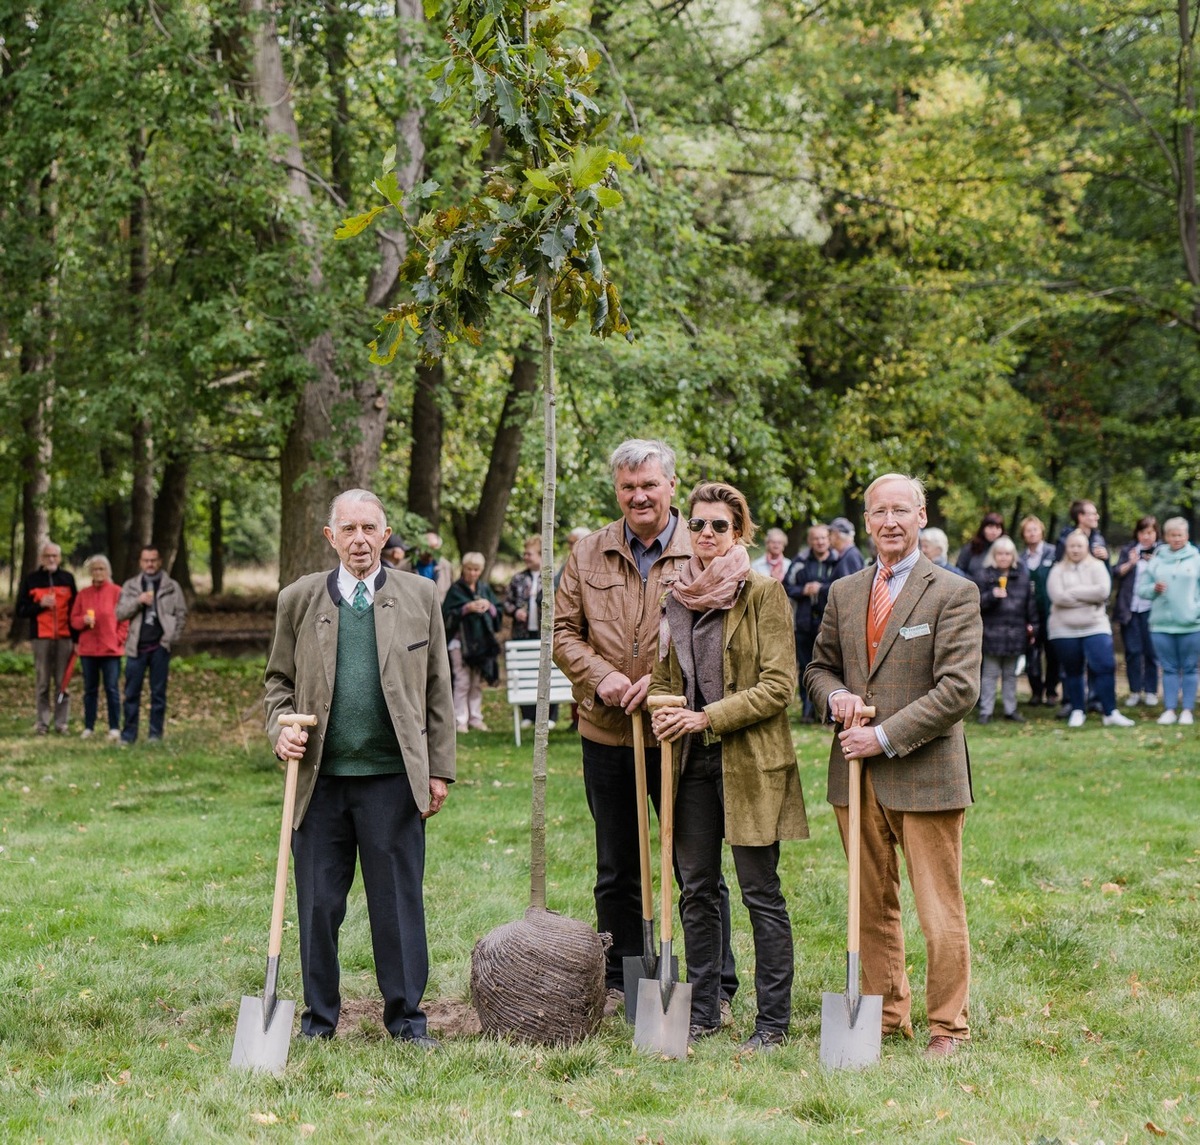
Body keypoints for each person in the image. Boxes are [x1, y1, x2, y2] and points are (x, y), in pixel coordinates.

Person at [553, 438, 738, 1018]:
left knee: (696, 866)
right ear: (617, 491)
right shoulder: (588, 554)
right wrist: (604, 677)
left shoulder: (704, 549)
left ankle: (715, 987)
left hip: (682, 739)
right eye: (628, 487)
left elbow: (724, 638)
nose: (639, 496)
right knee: (617, 867)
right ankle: (621, 984)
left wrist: (667, 691)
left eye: (649, 485)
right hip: (608, 733)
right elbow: (562, 633)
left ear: (671, 487)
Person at [265, 488, 454, 1047]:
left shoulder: (421, 596)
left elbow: (438, 689)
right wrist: (281, 730)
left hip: (393, 780)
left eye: (369, 528)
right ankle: (319, 1021)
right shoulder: (298, 600)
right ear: (331, 537)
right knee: (319, 905)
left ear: (386, 534)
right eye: (348, 529)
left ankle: (406, 1020)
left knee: (397, 905)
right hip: (319, 782)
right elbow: (277, 683)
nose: (359, 540)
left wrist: (438, 769)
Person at [804, 473, 982, 1058]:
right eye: (879, 512)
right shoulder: (844, 591)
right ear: (866, 518)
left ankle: (947, 1027)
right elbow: (819, 668)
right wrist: (835, 698)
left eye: (901, 510)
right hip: (853, 777)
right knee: (869, 904)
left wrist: (882, 735)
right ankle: (883, 1015)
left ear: (922, 515)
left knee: (938, 908)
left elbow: (959, 690)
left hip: (925, 773)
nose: (890, 522)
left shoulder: (953, 592)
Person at [650, 482, 807, 1053]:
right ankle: (705, 1010)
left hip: (750, 763)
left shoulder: (763, 594)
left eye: (719, 525)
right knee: (696, 889)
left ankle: (772, 1023)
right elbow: (666, 680)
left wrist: (704, 718)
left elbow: (778, 687)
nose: (707, 534)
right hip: (690, 766)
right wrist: (661, 709)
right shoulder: (677, 595)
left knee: (759, 891)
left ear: (738, 532)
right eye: (697, 525)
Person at [1046, 531, 1133, 729]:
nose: (1076, 550)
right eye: (1072, 546)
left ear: (1086, 548)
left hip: (1095, 626)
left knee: (1104, 666)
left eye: (1080, 546)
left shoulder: (1097, 566)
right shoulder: (1057, 570)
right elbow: (1057, 597)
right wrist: (1088, 598)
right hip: (1063, 629)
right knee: (1072, 670)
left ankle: (1110, 711)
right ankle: (1078, 709)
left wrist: (1074, 593)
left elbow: (1102, 591)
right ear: (1066, 548)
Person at [117, 547, 188, 745]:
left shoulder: (171, 586)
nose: (150, 564)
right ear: (140, 562)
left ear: (160, 561)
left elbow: (181, 614)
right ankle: (128, 735)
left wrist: (171, 637)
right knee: (131, 693)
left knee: (158, 694)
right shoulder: (131, 586)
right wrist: (138, 601)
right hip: (135, 647)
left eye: (153, 560)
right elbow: (120, 613)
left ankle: (155, 735)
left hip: (160, 647)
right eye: (146, 560)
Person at [1138, 517, 1200, 726]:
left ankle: (1188, 710)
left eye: (1180, 535)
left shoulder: (1196, 559)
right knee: (1169, 668)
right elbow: (1142, 589)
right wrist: (1153, 589)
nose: (1177, 539)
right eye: (1173, 535)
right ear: (1165, 537)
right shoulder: (1156, 560)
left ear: (1187, 536)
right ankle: (1170, 709)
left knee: (1190, 667)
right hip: (1162, 624)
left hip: (1191, 624)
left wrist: (1196, 611)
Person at [16, 540, 78, 735]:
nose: (51, 559)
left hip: (65, 637)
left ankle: (61, 723)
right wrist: (40, 605)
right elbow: (21, 610)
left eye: (54, 556)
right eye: (47, 556)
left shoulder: (67, 578)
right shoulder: (31, 579)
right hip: (41, 637)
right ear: (42, 558)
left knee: (63, 682)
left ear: (59, 558)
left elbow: (76, 610)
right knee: (43, 682)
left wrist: (76, 639)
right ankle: (42, 723)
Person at [973, 536, 1037, 724]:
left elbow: (1030, 605)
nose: (1003, 557)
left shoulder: (1022, 576)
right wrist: (991, 596)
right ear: (994, 555)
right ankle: (986, 710)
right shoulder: (984, 576)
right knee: (990, 674)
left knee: (1011, 674)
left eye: (1008, 554)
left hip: (1016, 632)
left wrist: (1034, 628)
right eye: (1000, 554)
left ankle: (1011, 709)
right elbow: (975, 604)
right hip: (991, 633)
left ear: (1013, 556)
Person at [69, 555, 128, 740]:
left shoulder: (117, 592)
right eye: (95, 569)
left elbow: (125, 619)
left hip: (110, 650)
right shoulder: (83, 594)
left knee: (112, 689)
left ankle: (114, 727)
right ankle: (89, 726)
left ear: (108, 571)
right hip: (88, 650)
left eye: (101, 569)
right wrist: (83, 621)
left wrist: (118, 639)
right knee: (90, 690)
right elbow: (73, 620)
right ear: (90, 572)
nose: (98, 572)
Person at [502, 534, 558, 728]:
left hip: (546, 634)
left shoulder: (552, 577)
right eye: (524, 553)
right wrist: (516, 611)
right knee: (525, 673)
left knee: (549, 671)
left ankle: (550, 716)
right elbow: (506, 603)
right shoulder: (518, 578)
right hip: (522, 633)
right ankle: (527, 714)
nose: (525, 557)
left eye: (529, 553)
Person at [443, 552, 501, 733]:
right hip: (459, 643)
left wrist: (488, 607)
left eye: (476, 570)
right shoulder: (456, 590)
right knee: (462, 681)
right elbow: (445, 616)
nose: (473, 573)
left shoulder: (484, 589)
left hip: (481, 644)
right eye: (469, 569)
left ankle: (475, 717)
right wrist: (466, 609)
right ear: (463, 568)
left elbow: (497, 610)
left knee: (476, 682)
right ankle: (460, 720)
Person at [784, 524, 837, 721]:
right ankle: (807, 711)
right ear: (810, 541)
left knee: (829, 667)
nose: (820, 542)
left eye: (823, 538)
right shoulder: (800, 561)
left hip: (828, 624)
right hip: (804, 623)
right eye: (816, 539)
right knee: (806, 668)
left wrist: (821, 588)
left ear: (829, 539)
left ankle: (826, 711)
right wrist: (803, 590)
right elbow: (786, 586)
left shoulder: (838, 560)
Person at [1113, 516, 1161, 707]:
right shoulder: (1128, 550)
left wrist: (1155, 563)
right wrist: (1131, 563)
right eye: (1142, 532)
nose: (1146, 536)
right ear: (1137, 534)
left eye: (1150, 532)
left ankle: (1150, 690)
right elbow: (1116, 572)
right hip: (1130, 608)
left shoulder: (1162, 552)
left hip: (1153, 609)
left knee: (1151, 651)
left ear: (1156, 533)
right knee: (1133, 651)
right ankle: (1134, 690)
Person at [1018, 516, 1059, 707]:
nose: (1032, 533)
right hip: (1029, 614)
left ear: (1042, 531)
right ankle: (1036, 691)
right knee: (1032, 654)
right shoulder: (1020, 559)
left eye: (1035, 529)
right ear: (1023, 535)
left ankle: (1051, 691)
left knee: (1053, 653)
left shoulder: (1054, 553)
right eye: (1028, 530)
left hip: (1052, 612)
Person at [404, 532, 454, 601]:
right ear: (419, 547)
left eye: (434, 549)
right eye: (427, 549)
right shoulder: (407, 565)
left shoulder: (446, 566)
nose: (430, 553)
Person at [955, 512, 1005, 579]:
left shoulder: (1005, 550)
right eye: (990, 527)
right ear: (983, 528)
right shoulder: (971, 548)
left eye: (998, 527)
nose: (994, 531)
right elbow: (958, 572)